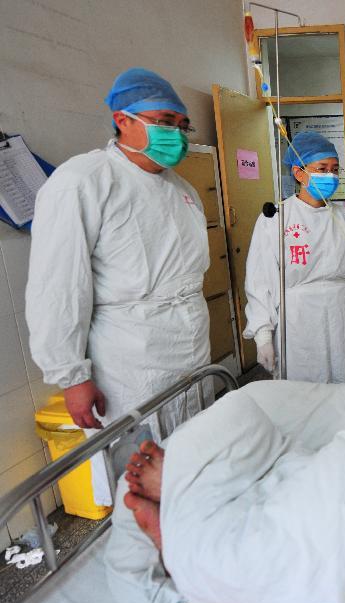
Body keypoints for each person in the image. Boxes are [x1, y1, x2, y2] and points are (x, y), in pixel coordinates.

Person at [26, 67, 210, 506]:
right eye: (165, 121)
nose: (177, 135)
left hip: (188, 344)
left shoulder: (184, 191)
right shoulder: (83, 181)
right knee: (139, 470)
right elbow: (59, 285)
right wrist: (70, 375)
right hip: (130, 356)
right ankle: (138, 547)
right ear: (122, 119)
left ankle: (189, 540)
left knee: (188, 459)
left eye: (182, 125)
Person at [243, 131, 345, 383]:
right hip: (297, 320)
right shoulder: (276, 219)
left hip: (340, 317)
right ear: (299, 173)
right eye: (322, 168)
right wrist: (263, 335)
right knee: (302, 393)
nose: (329, 175)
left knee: (344, 385)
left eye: (334, 169)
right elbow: (259, 280)